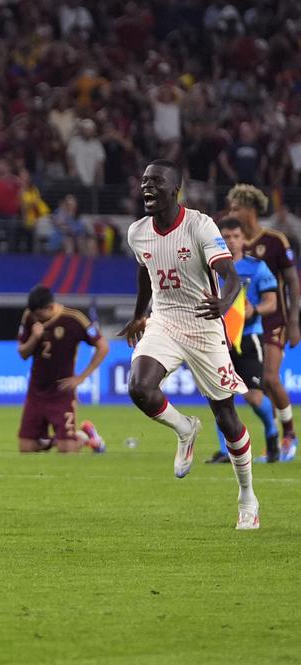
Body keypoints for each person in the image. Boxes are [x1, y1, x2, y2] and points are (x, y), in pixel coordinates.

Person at [118, 159, 259, 530]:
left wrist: (225, 303)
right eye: (144, 182)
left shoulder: (199, 225)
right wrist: (139, 315)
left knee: (226, 418)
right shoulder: (137, 232)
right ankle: (184, 428)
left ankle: (247, 496)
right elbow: (144, 272)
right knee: (138, 387)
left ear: (174, 189)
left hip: (204, 324)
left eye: (156, 182)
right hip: (164, 321)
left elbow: (230, 276)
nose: (147, 188)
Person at [224, 184, 299, 460]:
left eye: (236, 208)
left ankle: (289, 433)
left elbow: (291, 281)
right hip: (241, 325)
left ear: (250, 209)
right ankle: (273, 437)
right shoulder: (234, 242)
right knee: (257, 386)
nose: (232, 213)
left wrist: (294, 321)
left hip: (273, 318)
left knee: (269, 378)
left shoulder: (276, 240)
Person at [205, 217, 280, 463]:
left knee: (253, 397)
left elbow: (272, 303)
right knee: (220, 396)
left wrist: (254, 310)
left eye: (236, 236)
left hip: (248, 338)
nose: (231, 241)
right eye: (225, 237)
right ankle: (226, 450)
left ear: (244, 239)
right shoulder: (210, 269)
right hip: (218, 340)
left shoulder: (257, 268)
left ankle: (272, 434)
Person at [16, 285, 110, 453]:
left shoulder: (74, 319)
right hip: (36, 391)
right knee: (26, 448)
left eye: (40, 314)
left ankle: (86, 437)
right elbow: (22, 353)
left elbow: (102, 347)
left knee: (67, 449)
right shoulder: (29, 316)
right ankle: (65, 438)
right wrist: (34, 338)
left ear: (51, 307)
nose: (36, 318)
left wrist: (81, 378)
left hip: (61, 391)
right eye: (34, 315)